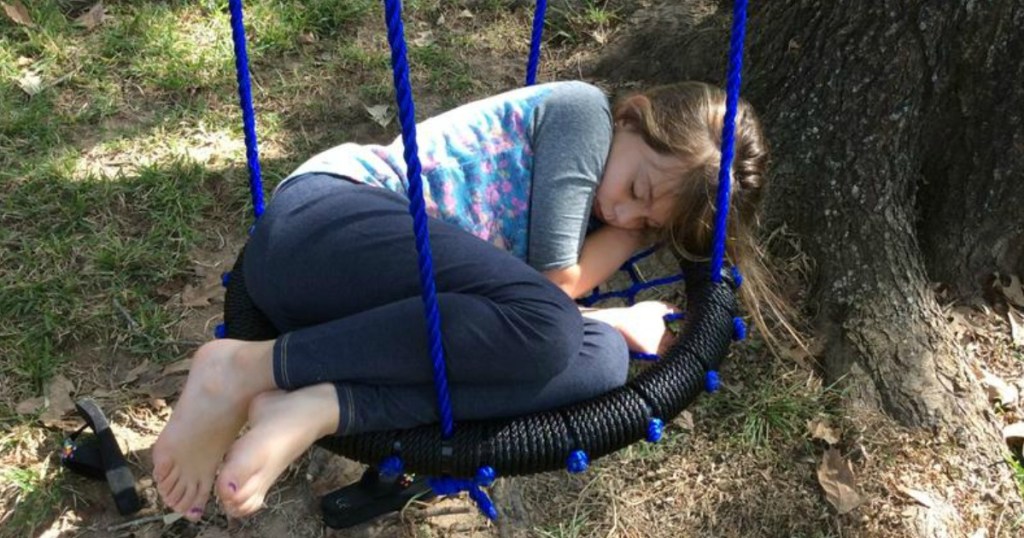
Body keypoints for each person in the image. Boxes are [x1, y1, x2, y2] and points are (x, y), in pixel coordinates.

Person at [151, 80, 776, 521]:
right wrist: (614, 282)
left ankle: (322, 403)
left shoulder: (609, 196)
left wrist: (606, 320)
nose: (623, 212)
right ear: (632, 118)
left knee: (601, 362)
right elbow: (556, 287)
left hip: (363, 324)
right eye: (637, 187)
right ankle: (243, 369)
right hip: (323, 227)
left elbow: (522, 319)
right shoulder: (584, 116)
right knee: (562, 330)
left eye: (647, 223)